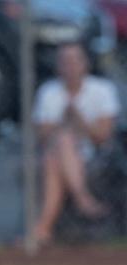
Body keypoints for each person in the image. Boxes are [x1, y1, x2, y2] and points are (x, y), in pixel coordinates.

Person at [32, 42, 121, 246]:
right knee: (58, 147)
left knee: (55, 155)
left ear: (85, 64)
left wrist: (79, 120)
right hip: (55, 153)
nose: (69, 66)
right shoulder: (49, 91)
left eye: (74, 60)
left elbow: (104, 136)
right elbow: (42, 135)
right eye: (64, 61)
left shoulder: (102, 90)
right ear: (58, 66)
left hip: (94, 154)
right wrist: (64, 119)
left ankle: (43, 228)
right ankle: (82, 199)